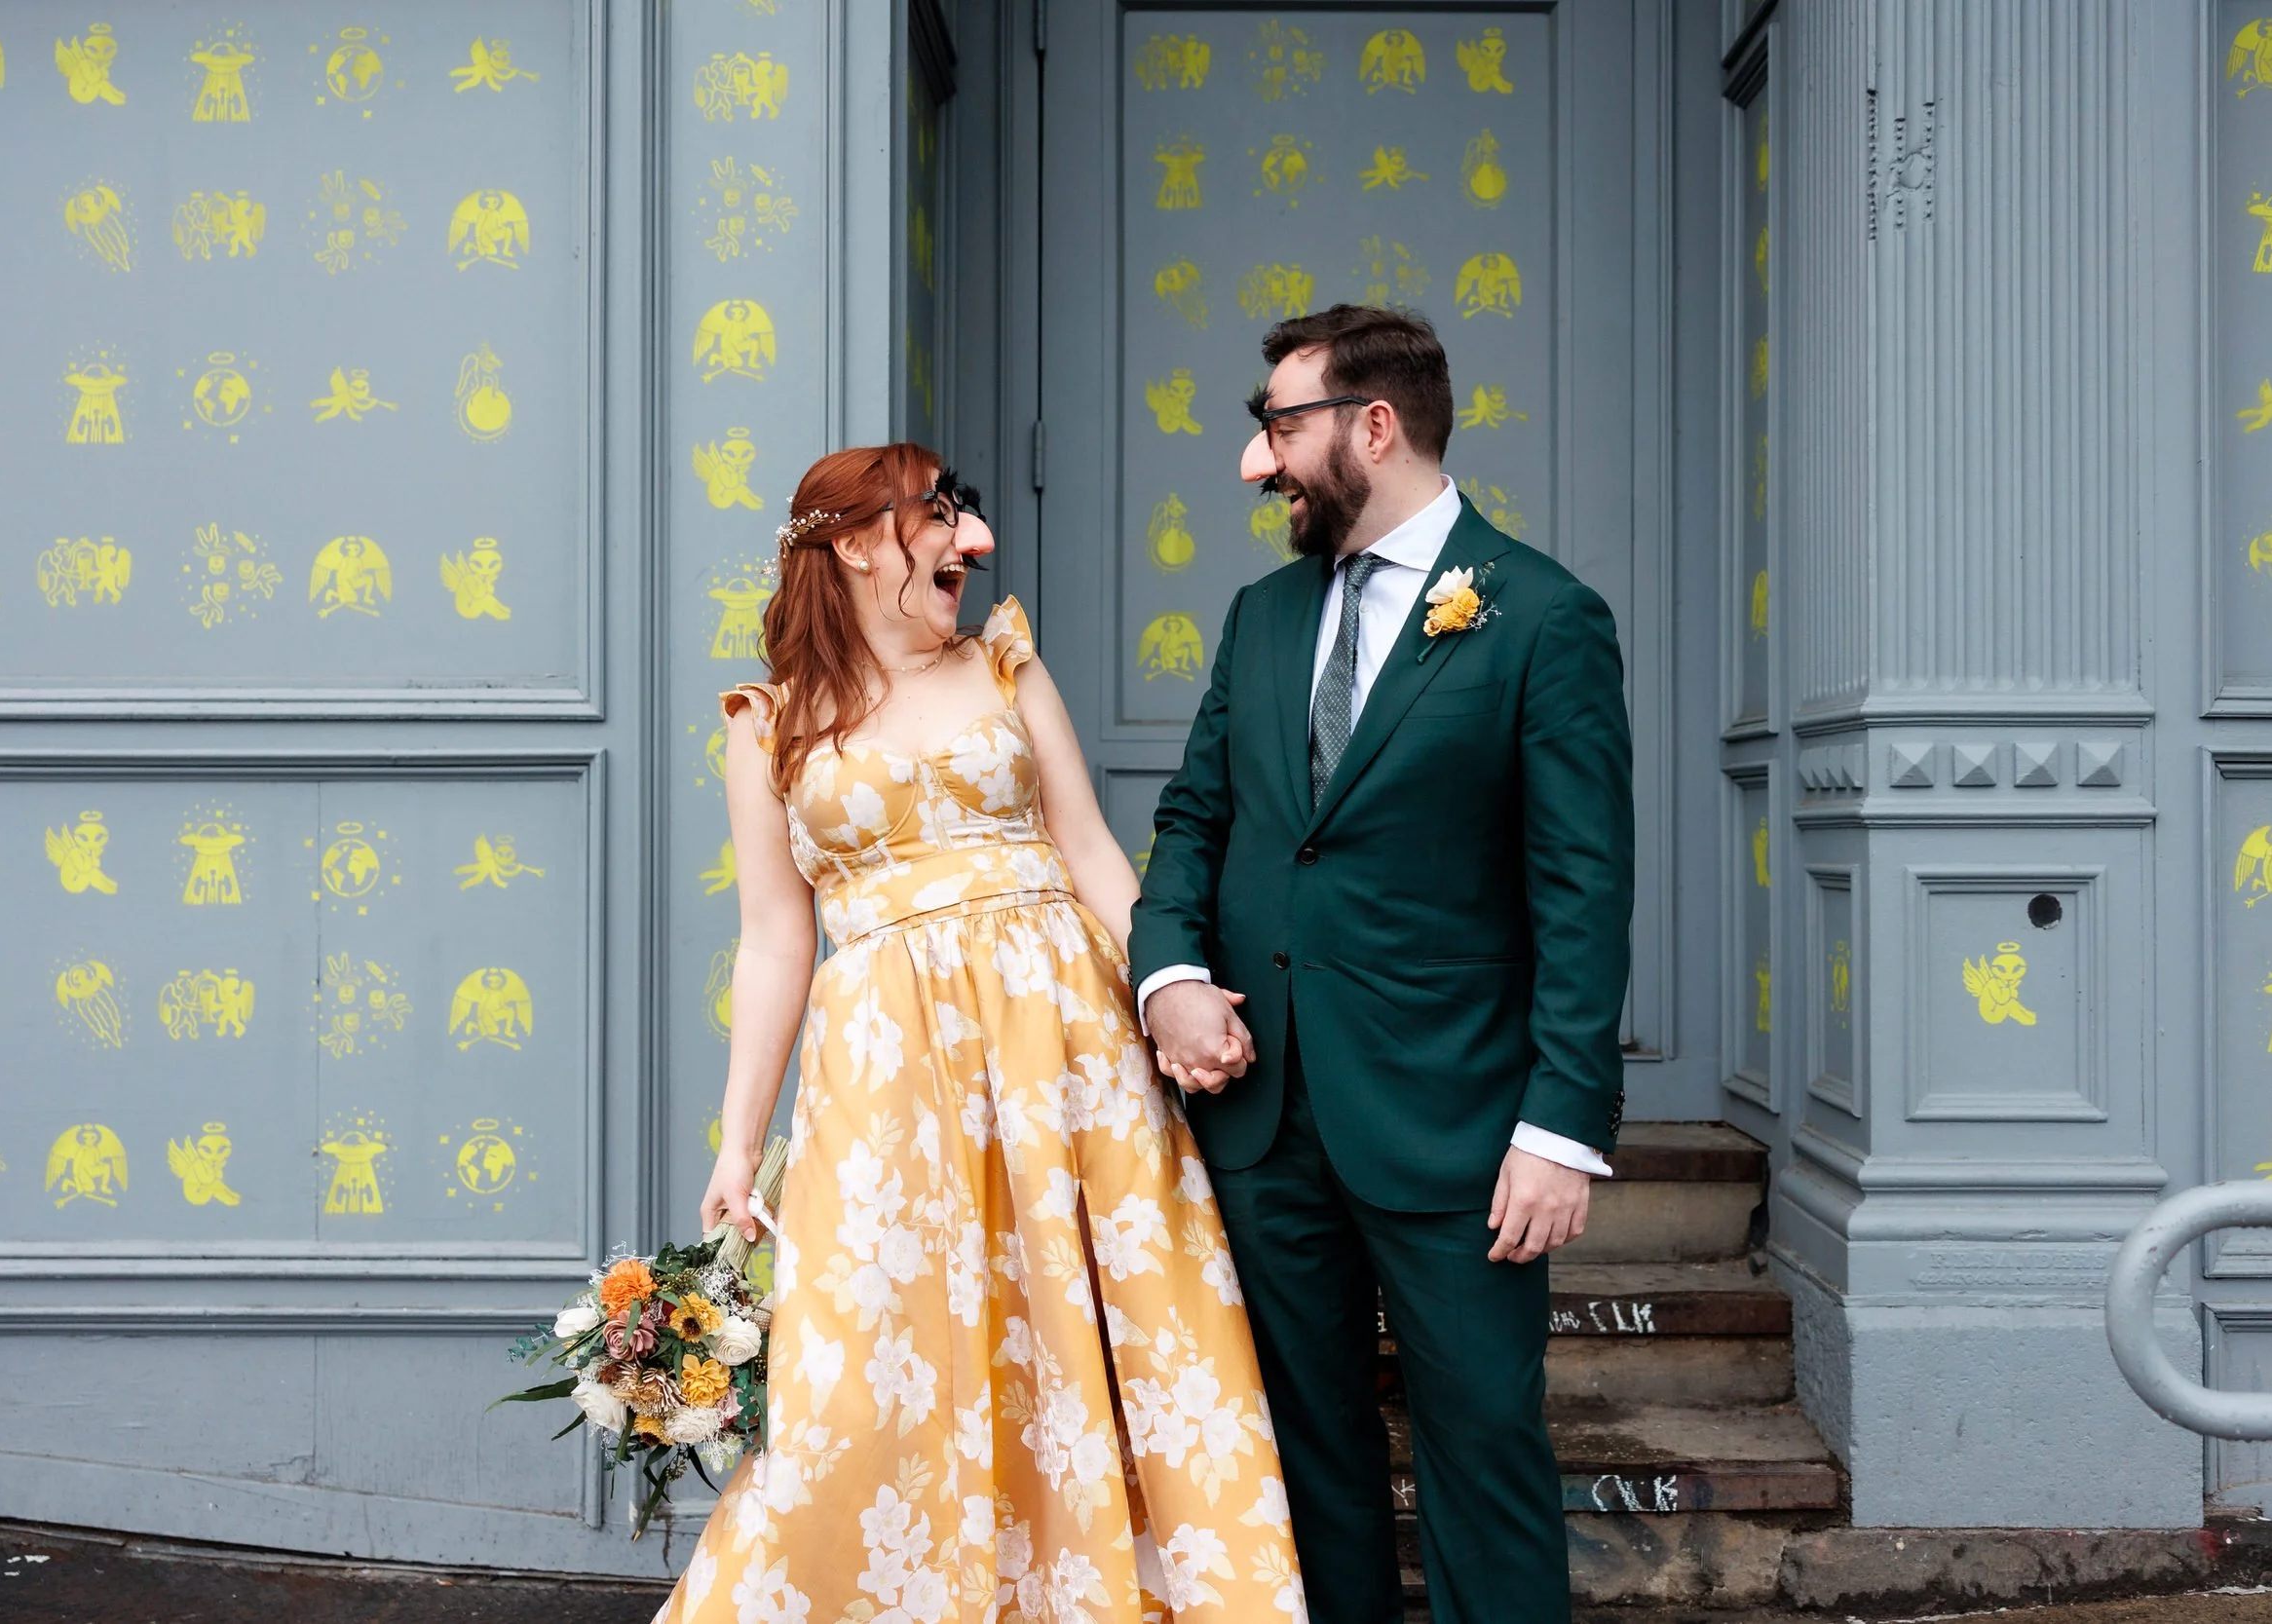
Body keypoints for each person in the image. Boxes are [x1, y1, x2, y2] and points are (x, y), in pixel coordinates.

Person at [654, 443, 1303, 1623]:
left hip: (1066, 1046)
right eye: (942, 515)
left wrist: (1174, 990)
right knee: (869, 1359)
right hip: (888, 1071)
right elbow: (774, 941)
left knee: (1100, 1333)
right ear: (856, 543)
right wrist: (737, 1146)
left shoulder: (1005, 664)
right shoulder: (769, 723)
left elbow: (1091, 849)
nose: (977, 540)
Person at [1131, 305, 1635, 1623]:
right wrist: (1167, 973)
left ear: (1373, 425)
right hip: (1264, 1115)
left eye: (1277, 426)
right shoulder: (1259, 616)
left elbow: (1583, 888)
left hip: (1457, 1124)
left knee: (1483, 1447)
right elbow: (1195, 820)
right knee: (1304, 1458)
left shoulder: (1543, 616)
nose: (1256, 463)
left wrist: (1562, 1128)